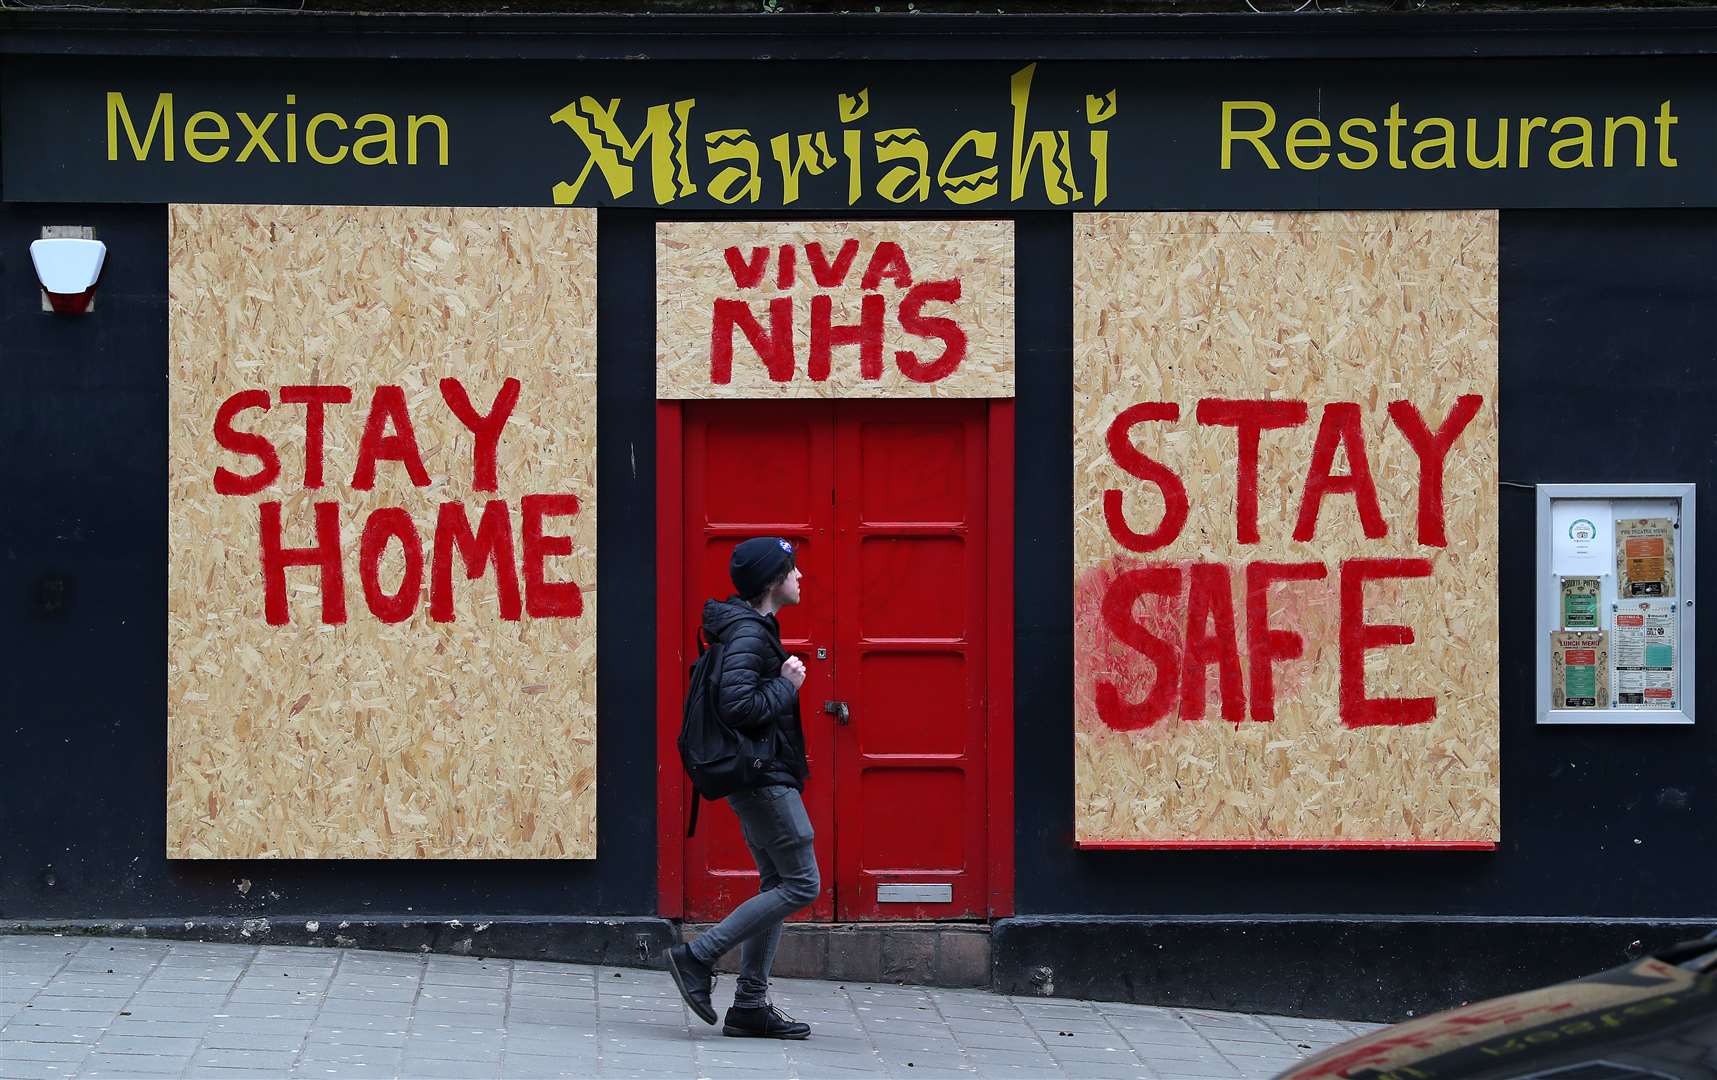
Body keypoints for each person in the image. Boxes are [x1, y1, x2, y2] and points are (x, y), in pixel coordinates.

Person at [665, 536, 817, 1040]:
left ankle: (750, 1004)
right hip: (762, 778)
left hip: (758, 776)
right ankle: (698, 956)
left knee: (777, 883)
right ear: (773, 581)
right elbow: (738, 707)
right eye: (793, 570)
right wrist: (787, 685)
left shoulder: (748, 628)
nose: (801, 577)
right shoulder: (750, 634)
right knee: (801, 883)